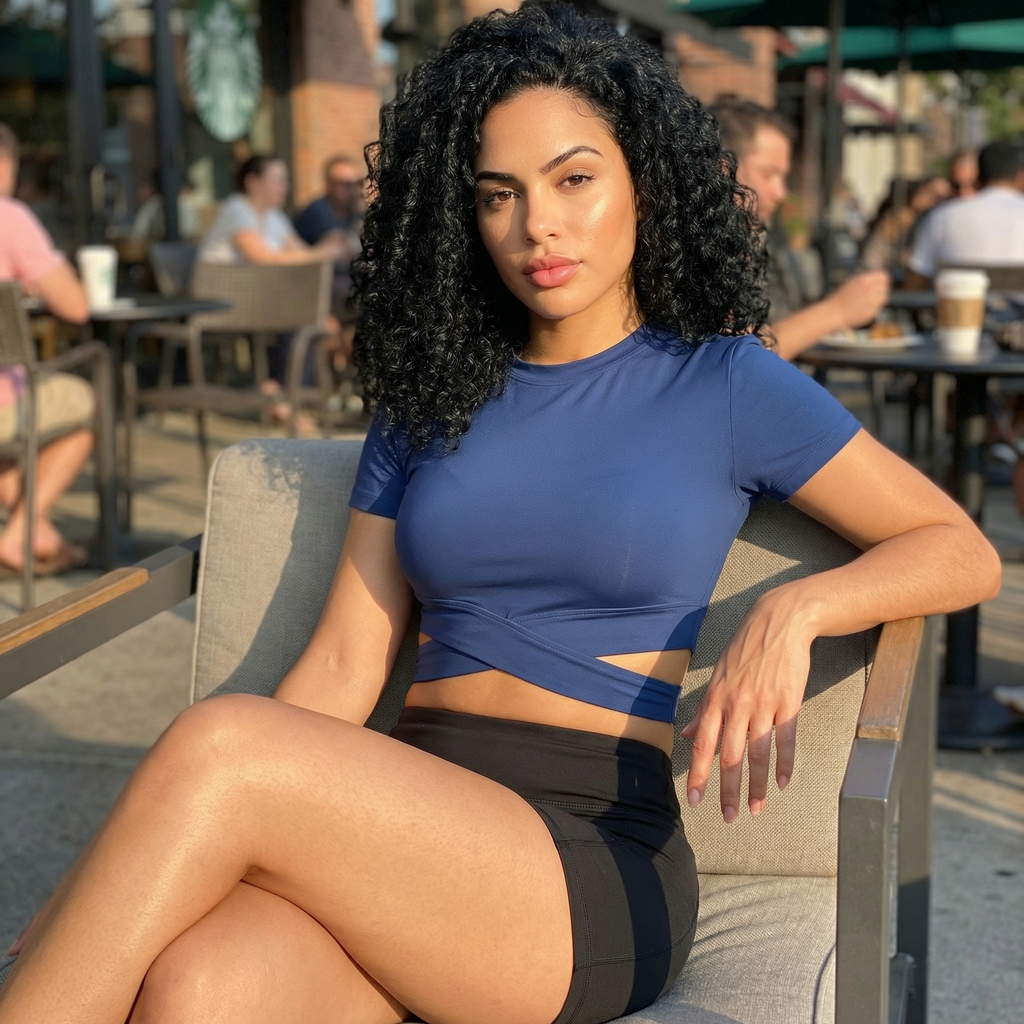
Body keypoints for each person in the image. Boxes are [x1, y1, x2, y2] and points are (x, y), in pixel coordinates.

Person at [0, 8, 1001, 1024]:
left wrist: (800, 611)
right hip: (404, 831)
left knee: (222, 745)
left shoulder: (725, 382)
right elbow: (348, 660)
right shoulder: (431, 391)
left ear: (642, 180)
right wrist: (105, 886)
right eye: (498, 195)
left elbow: (959, 549)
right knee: (197, 986)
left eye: (574, 179)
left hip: (584, 860)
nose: (539, 229)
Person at [710, 99, 891, 360]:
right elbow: (739, 356)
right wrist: (838, 311)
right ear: (723, 167)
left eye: (783, 177)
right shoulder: (702, 247)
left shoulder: (753, 238)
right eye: (769, 174)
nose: (781, 193)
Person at [0, 122, 93, 577]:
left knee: (14, 446)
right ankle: (19, 537)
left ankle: (40, 537)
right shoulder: (10, 217)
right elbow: (75, 307)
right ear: (5, 165)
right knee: (82, 415)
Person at [903, 140, 1024, 288]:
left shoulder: (942, 217)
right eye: (956, 186)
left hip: (960, 309)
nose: (964, 193)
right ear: (1020, 177)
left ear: (978, 175)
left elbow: (914, 284)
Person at [198, 155, 344, 266]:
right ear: (252, 182)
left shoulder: (273, 214)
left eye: (285, 181)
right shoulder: (236, 208)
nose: (284, 187)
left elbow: (300, 251)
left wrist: (331, 244)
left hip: (258, 290)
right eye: (277, 181)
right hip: (222, 294)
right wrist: (322, 253)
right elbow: (262, 259)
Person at [294, 154, 367, 369]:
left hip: (340, 292)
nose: (353, 189)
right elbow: (340, 249)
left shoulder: (353, 213)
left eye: (358, 183)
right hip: (308, 294)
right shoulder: (318, 210)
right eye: (345, 184)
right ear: (328, 185)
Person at [859, 176, 953, 274]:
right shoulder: (901, 216)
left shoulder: (936, 222)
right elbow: (873, 258)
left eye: (941, 197)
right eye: (930, 191)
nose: (933, 199)